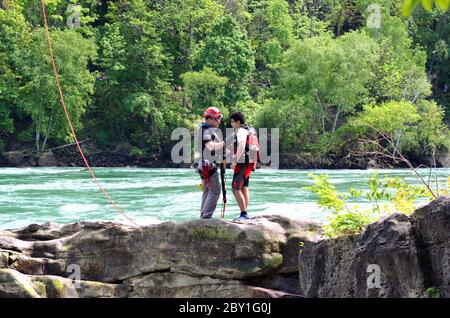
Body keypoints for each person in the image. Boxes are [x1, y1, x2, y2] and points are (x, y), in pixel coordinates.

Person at [196, 106, 227, 219]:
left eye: (219, 118)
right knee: (215, 192)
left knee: (207, 191)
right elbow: (210, 146)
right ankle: (206, 217)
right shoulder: (206, 130)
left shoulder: (208, 130)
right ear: (209, 119)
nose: (219, 121)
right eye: (217, 118)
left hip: (204, 165)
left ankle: (203, 216)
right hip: (207, 165)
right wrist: (224, 142)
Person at [230, 111, 258, 221]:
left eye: (232, 122)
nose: (231, 124)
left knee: (235, 188)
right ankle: (245, 213)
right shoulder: (250, 130)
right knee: (244, 187)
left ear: (238, 122)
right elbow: (255, 148)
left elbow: (241, 146)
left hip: (243, 162)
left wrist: (235, 161)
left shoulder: (241, 131)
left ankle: (244, 214)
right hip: (250, 162)